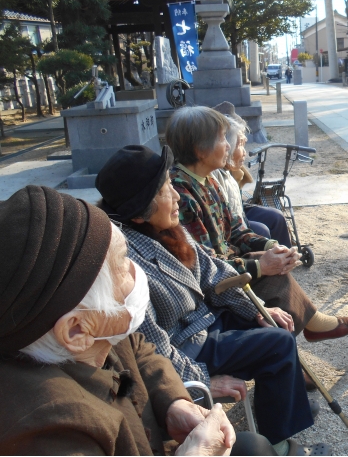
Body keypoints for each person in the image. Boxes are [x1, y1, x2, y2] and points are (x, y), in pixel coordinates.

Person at [0, 185, 274, 455]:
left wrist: (174, 402)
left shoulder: (100, 332)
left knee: (255, 447)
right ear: (75, 331)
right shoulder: (48, 432)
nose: (135, 269)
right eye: (121, 262)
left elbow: (139, 350)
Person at [95, 146, 329, 456]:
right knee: (278, 344)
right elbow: (152, 345)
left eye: (170, 183)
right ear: (138, 213)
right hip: (186, 344)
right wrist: (201, 379)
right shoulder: (126, 260)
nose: (176, 196)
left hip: (207, 319)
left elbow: (214, 271)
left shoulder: (166, 227)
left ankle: (281, 408)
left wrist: (256, 309)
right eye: (165, 191)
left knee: (275, 319)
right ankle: (278, 445)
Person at [165, 105, 348, 343]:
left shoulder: (207, 180)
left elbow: (236, 229)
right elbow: (206, 265)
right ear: (200, 150)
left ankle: (299, 338)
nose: (229, 146)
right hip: (207, 288)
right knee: (273, 278)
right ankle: (301, 336)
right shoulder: (181, 194)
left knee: (273, 265)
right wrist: (260, 266)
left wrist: (271, 246)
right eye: (223, 138)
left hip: (223, 268)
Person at [212, 101, 292, 246]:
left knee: (276, 217)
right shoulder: (215, 173)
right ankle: (268, 258)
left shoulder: (232, 171)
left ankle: (286, 256)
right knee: (261, 230)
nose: (245, 152)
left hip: (238, 211)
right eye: (241, 145)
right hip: (229, 220)